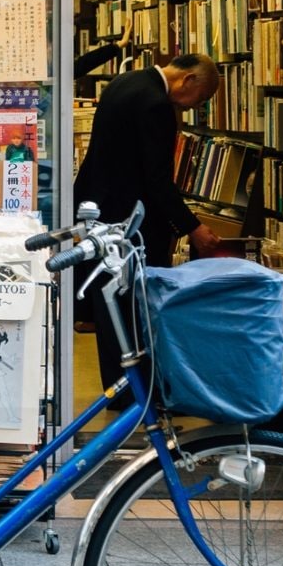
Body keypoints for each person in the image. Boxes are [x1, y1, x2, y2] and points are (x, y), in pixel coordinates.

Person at [71, 53, 223, 387]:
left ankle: (119, 387)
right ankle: (140, 393)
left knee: (111, 307)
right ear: (189, 80)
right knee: (136, 308)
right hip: (131, 224)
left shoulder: (123, 82)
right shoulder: (156, 105)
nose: (193, 107)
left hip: (100, 211)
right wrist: (192, 227)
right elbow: (157, 180)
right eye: (202, 98)